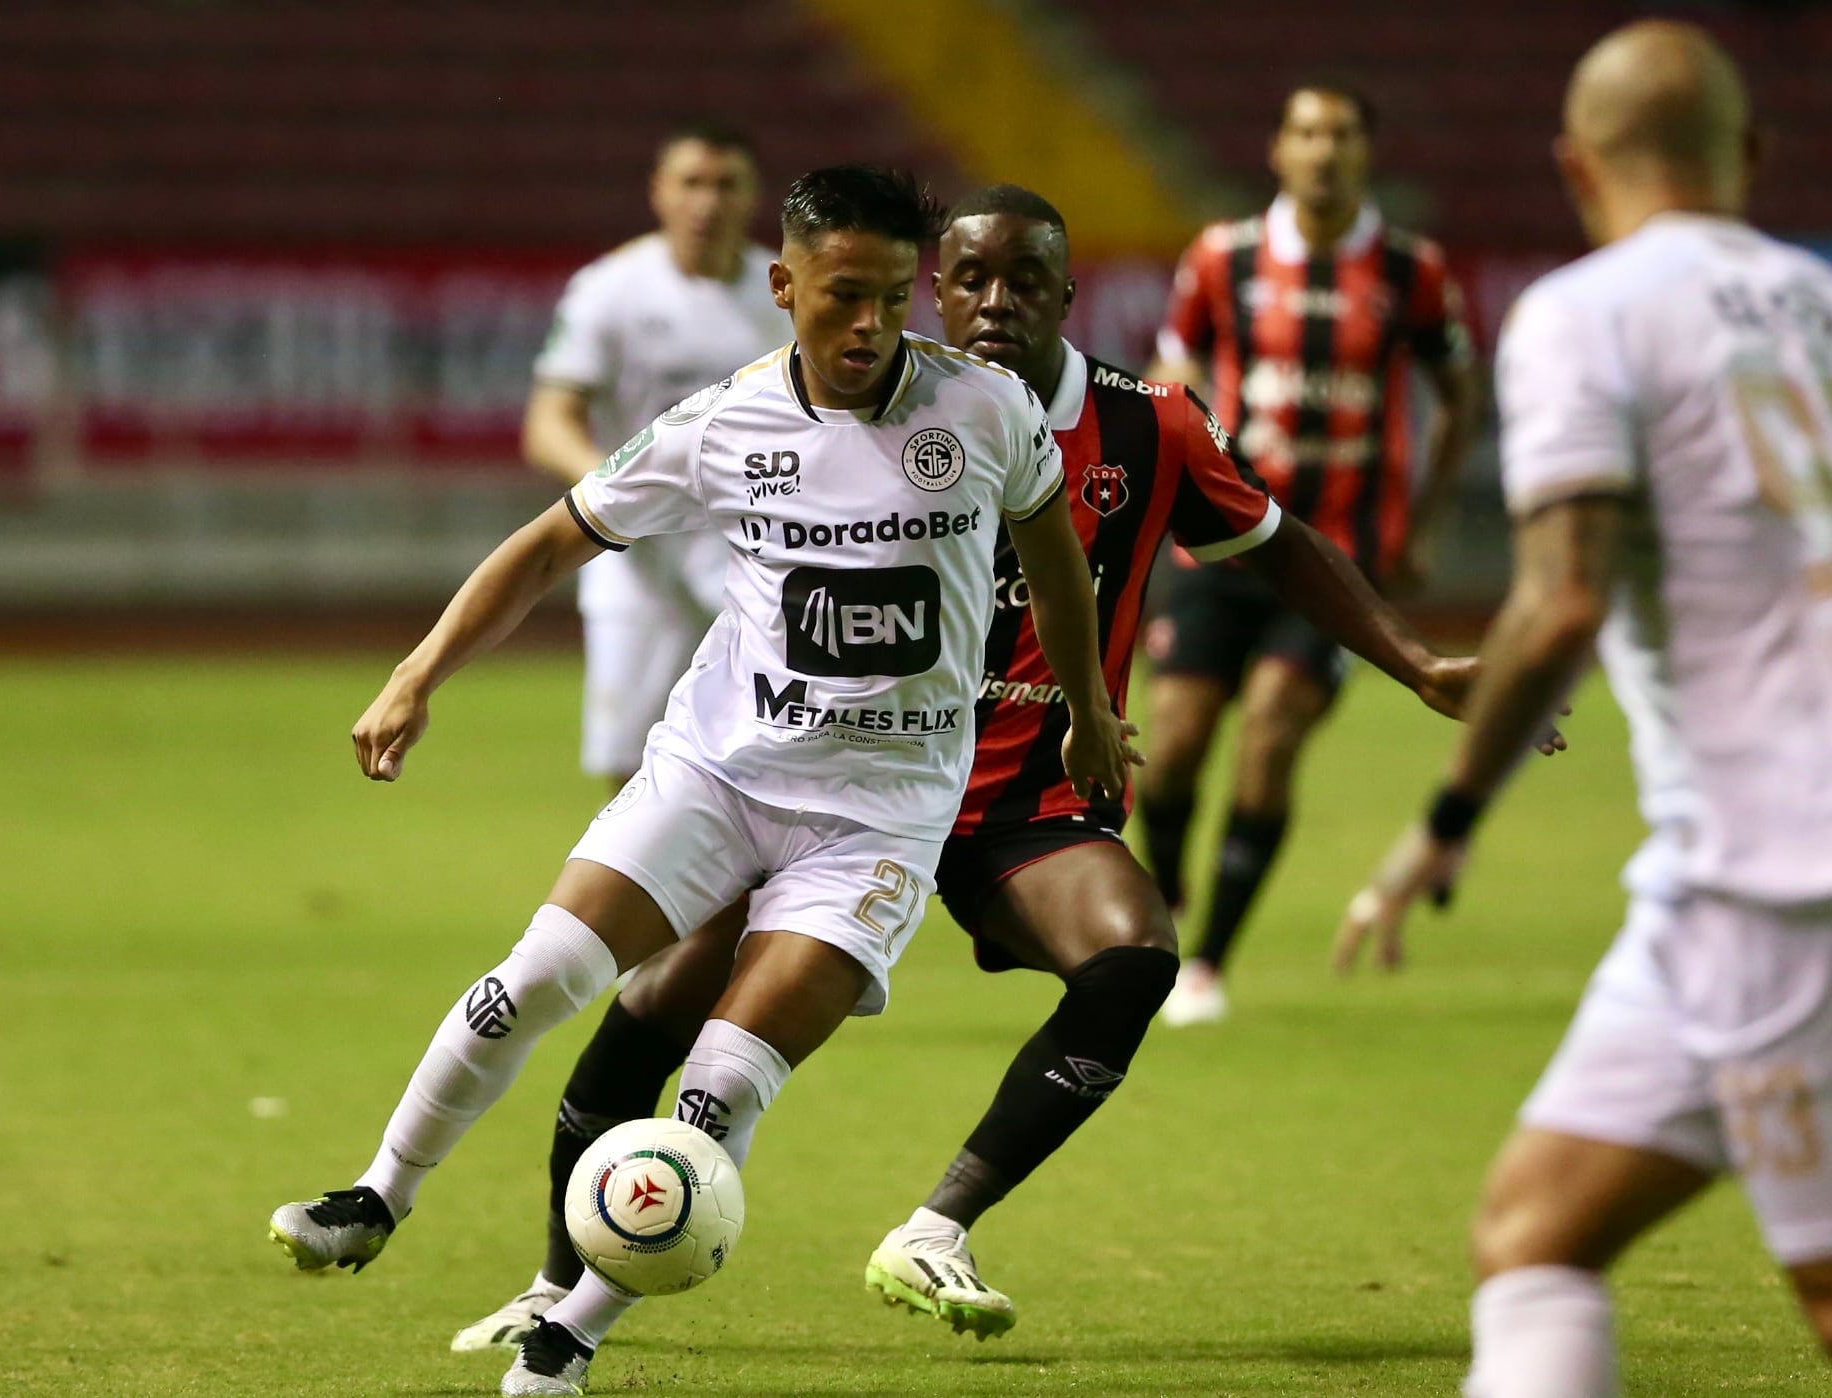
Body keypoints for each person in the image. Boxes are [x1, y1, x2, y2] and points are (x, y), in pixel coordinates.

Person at [450, 184, 1531, 1352]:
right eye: (968, 279)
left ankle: (935, 1226)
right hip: (841, 791)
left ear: (1072, 295)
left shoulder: (1147, 424)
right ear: (935, 285)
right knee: (656, 1004)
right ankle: (557, 1279)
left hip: (1023, 800)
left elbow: (1281, 549)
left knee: (1134, 957)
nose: (993, 303)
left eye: (1025, 281)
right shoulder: (864, 404)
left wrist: (1416, 665)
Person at [267, 166, 1136, 1398]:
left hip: (879, 820)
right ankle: (377, 1195)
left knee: (721, 1085)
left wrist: (1089, 713)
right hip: (716, 776)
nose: (870, 326)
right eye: (842, 296)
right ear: (784, 286)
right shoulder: (720, 424)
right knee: (534, 980)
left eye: (894, 297)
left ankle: (571, 1334)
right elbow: (551, 539)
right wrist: (416, 675)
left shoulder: (986, 411)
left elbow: (1054, 550)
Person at [1336, 22, 1832, 1393]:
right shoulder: (1819, 296)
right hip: (1706, 889)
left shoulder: (1587, 311)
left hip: (1777, 876)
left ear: (1573, 165)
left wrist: (1444, 819)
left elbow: (1558, 598)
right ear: (1751, 155)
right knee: (1533, 1230)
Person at [1146, 81, 1482, 1025]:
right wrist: (1180, 468)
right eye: (1305, 132)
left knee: (1268, 738)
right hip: (1220, 545)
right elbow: (1173, 367)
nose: (1322, 150)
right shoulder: (1222, 259)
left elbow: (1457, 387)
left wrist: (1424, 517)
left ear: (1364, 152)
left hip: (1337, 559)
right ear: (1277, 149)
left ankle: (1207, 962)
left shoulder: (1411, 271)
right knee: (1169, 750)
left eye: (1339, 134)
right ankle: (1166, 900)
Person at [524, 120, 790, 791]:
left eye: (725, 184)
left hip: (755, 545)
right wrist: (616, 488)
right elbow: (547, 420)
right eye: (691, 183)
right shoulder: (610, 288)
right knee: (628, 762)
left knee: (774, 743)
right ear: (658, 193)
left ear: (753, 194)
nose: (708, 202)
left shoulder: (786, 291)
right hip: (638, 553)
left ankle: (756, 894)